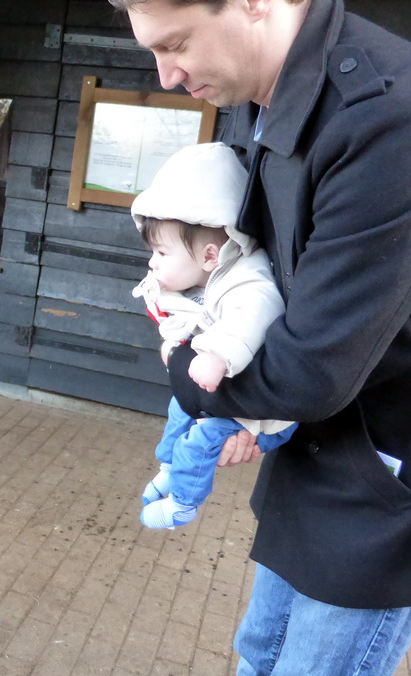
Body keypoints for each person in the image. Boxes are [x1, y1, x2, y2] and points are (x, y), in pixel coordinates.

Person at [108, 0, 411, 676]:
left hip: (400, 468)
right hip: (323, 443)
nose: (165, 74)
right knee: (262, 658)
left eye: (177, 43)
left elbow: (306, 369)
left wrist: (185, 376)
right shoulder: (264, 108)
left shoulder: (399, 120)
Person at [129, 141, 296, 529]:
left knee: (201, 440)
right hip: (220, 395)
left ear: (208, 256)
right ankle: (168, 467)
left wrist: (218, 354)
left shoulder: (246, 277)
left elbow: (252, 312)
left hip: (266, 416)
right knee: (177, 411)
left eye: (162, 254)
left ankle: (183, 504)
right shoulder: (201, 280)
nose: (152, 263)